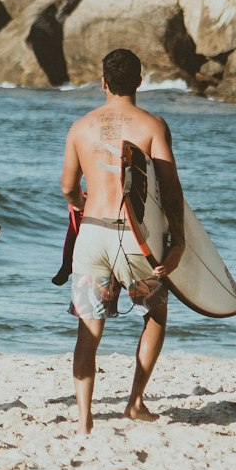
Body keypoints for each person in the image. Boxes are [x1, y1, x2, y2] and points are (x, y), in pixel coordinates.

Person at [60, 48, 185, 436]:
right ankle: (134, 402)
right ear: (140, 82)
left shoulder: (80, 127)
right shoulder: (152, 125)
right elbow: (169, 187)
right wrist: (177, 240)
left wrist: (85, 203)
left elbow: (67, 188)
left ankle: (84, 419)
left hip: (93, 233)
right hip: (135, 238)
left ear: (103, 82)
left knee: (89, 328)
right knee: (156, 314)